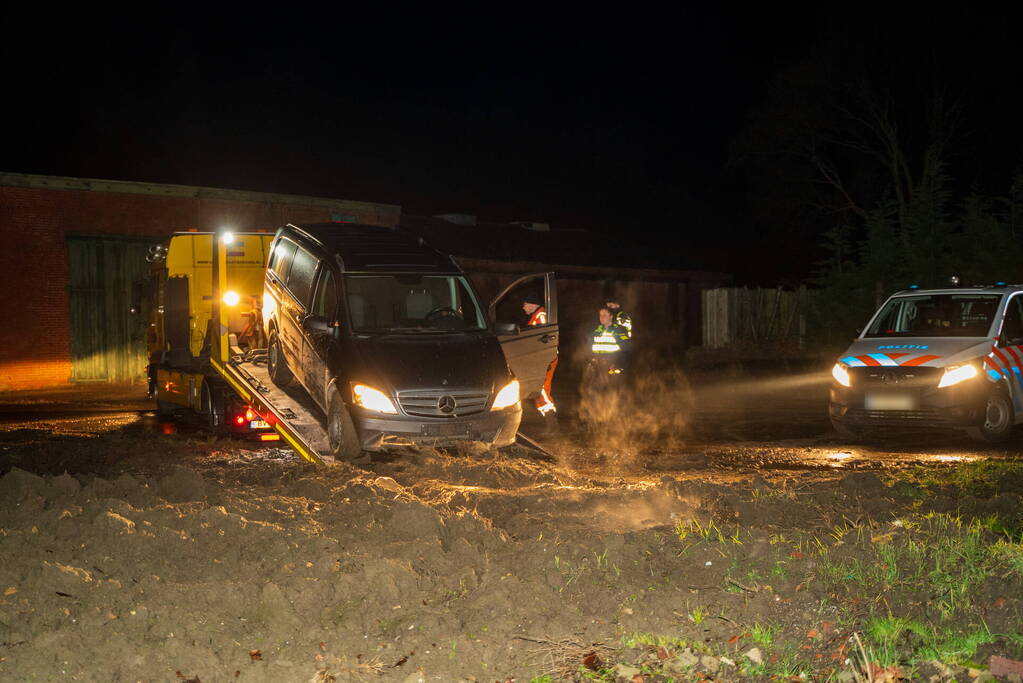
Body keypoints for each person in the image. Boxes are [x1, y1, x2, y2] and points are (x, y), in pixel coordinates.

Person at [522, 293, 557, 415]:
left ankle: (551, 420)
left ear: (532, 305)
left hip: (544, 358)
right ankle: (547, 418)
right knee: (538, 386)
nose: (523, 307)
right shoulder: (537, 316)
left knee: (542, 387)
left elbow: (544, 337)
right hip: (540, 357)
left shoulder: (541, 316)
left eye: (525, 304)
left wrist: (543, 358)